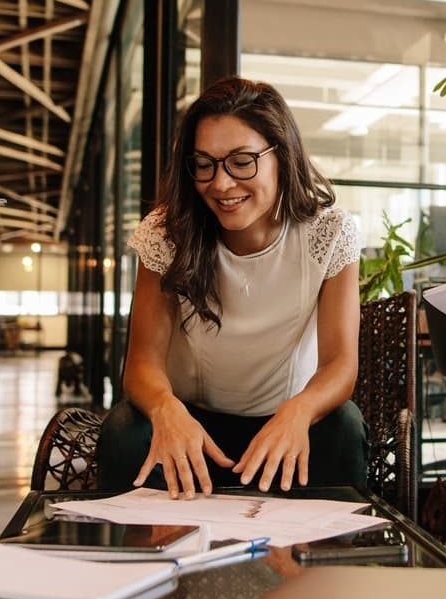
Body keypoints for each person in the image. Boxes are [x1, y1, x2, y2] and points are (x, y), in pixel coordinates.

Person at [96, 76, 366, 497]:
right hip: (192, 427)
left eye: (242, 161)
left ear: (283, 155)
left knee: (344, 427)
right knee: (123, 432)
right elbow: (142, 362)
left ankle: (324, 560)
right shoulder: (168, 234)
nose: (220, 184)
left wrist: (299, 412)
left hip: (283, 423)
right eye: (204, 164)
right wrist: (167, 410)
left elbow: (340, 364)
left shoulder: (329, 232)